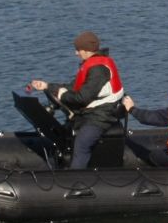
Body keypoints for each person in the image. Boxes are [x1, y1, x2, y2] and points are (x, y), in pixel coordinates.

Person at [29, 31, 127, 170]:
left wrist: (62, 96)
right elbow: (73, 87)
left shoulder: (98, 70)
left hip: (102, 116)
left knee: (82, 143)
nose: (76, 53)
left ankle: (75, 183)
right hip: (90, 113)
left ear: (87, 51)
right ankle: (51, 170)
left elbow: (82, 98)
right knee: (63, 136)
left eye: (78, 50)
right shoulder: (90, 65)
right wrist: (47, 86)